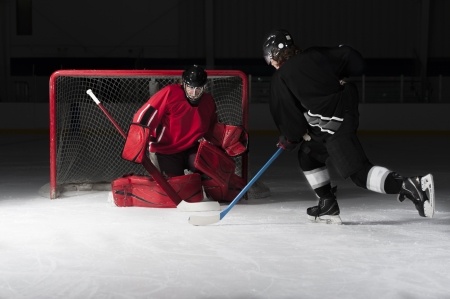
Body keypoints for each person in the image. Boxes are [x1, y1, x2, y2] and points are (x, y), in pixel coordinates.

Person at [262, 29, 435, 224]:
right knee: (308, 156)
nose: (273, 65)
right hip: (342, 112)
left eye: (271, 61)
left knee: (360, 174)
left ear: (274, 56)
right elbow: (354, 60)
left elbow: (290, 121)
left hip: (332, 123)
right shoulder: (315, 54)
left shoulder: (281, 78)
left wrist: (289, 138)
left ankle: (411, 185)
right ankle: (327, 204)